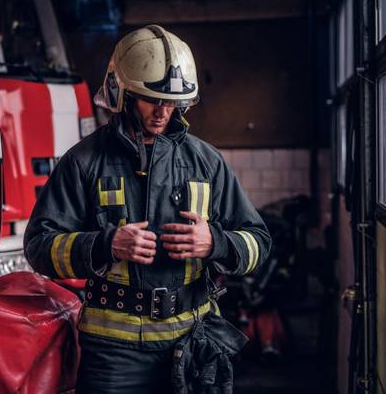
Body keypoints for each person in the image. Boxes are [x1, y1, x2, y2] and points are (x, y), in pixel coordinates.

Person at [24, 25, 272, 393]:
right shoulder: (83, 161)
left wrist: (215, 243)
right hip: (113, 355)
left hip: (194, 344)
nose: (163, 112)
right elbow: (39, 248)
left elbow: (259, 244)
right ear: (123, 95)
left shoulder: (207, 161)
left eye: (173, 103)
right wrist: (103, 245)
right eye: (151, 99)